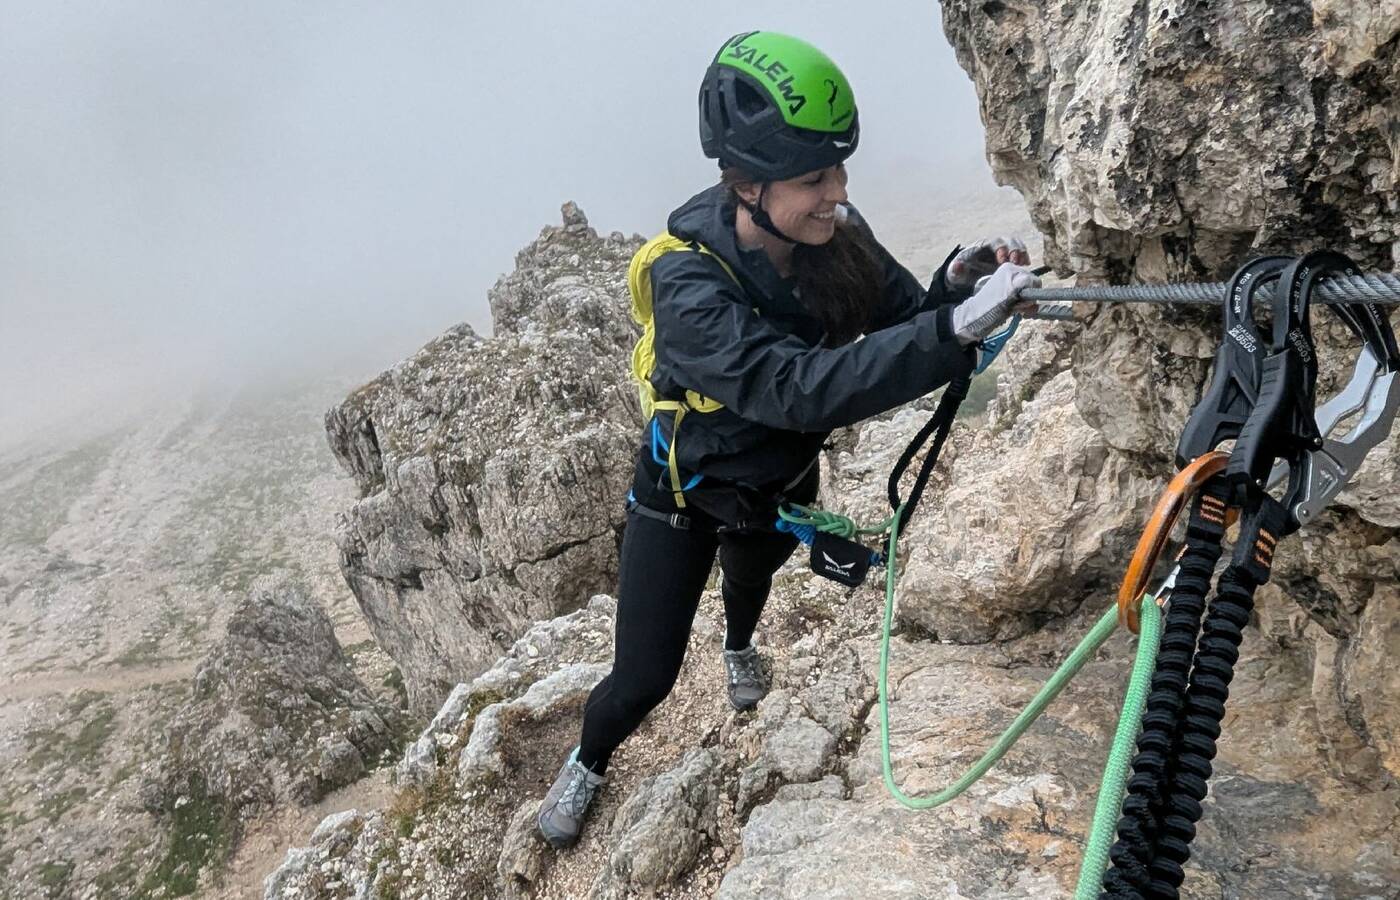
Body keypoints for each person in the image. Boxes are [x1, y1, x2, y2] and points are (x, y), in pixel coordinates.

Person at [537, 29, 1037, 849]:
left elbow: (903, 320)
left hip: (777, 485)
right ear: (746, 183)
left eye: (839, 169)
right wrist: (951, 328)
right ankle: (589, 759)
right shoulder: (688, 285)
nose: (837, 193)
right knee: (642, 679)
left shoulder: (833, 236)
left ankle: (739, 648)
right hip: (683, 494)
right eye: (814, 178)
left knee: (751, 581)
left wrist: (954, 287)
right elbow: (794, 390)